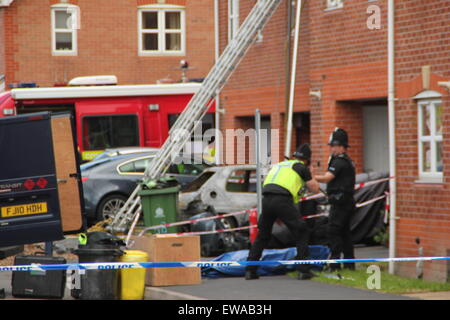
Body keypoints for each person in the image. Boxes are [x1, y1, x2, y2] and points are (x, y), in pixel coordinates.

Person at [245, 144, 321, 280]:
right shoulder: (301, 167)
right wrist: (312, 174)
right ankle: (304, 270)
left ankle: (250, 270)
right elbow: (315, 188)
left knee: (263, 235)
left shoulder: (281, 165)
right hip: (282, 199)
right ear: (307, 160)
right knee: (302, 231)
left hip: (267, 200)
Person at [314, 128, 356, 271]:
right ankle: (350, 265)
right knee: (345, 234)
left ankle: (335, 264)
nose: (331, 149)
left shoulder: (339, 162)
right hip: (346, 201)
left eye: (332, 146)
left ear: (339, 146)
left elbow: (327, 178)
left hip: (341, 203)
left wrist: (310, 178)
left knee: (333, 231)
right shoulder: (347, 161)